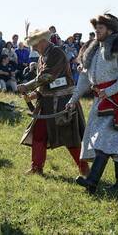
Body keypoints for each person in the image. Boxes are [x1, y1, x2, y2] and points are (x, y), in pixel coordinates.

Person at [67, 13, 118, 194]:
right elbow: (84, 78)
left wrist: (110, 90)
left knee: (108, 142)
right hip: (100, 102)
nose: (97, 30)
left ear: (110, 29)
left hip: (117, 102)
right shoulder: (92, 50)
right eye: (96, 27)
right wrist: (74, 99)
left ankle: (93, 181)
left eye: (101, 27)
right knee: (106, 142)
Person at [17, 29, 88, 176]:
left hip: (63, 102)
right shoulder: (42, 57)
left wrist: (27, 86)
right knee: (38, 133)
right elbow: (45, 84)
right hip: (46, 103)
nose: (33, 48)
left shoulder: (57, 53)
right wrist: (34, 94)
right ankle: (36, 167)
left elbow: (47, 76)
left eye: (35, 45)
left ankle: (84, 169)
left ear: (42, 41)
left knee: (70, 137)